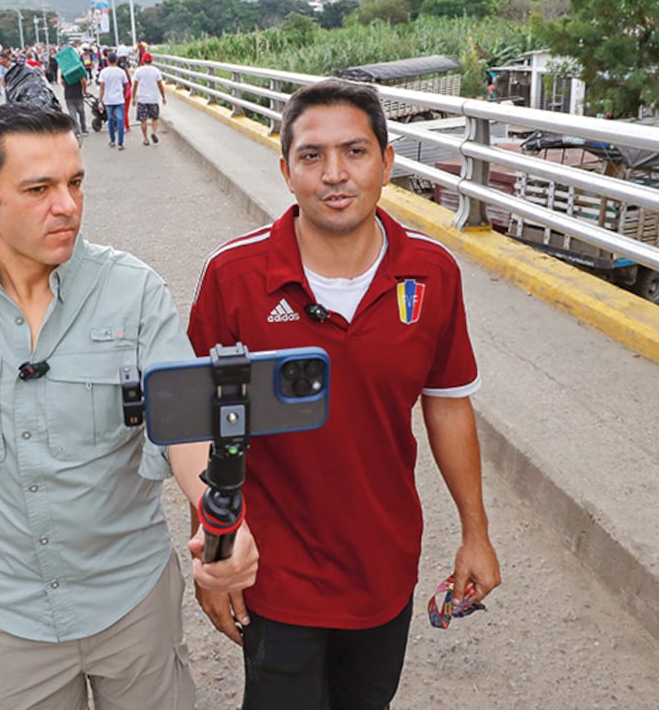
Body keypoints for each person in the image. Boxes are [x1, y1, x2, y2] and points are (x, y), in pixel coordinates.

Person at [0, 103, 259, 707]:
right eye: (39, 189)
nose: (68, 206)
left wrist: (219, 514)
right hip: (15, 612)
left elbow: (183, 426)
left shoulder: (134, 291)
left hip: (132, 601)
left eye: (75, 183)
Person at [187, 79, 501, 710]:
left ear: (386, 162)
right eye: (311, 156)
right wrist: (213, 554)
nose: (335, 174)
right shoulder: (235, 275)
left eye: (355, 152)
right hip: (273, 571)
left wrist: (476, 532)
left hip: (383, 565)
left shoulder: (431, 273)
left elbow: (446, 400)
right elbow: (199, 425)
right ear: (286, 170)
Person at [131, 54, 166, 147]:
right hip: (153, 99)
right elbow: (160, 85)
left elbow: (135, 85)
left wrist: (133, 97)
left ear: (142, 60)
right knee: (154, 118)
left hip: (142, 99)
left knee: (143, 120)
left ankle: (146, 139)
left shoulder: (138, 71)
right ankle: (154, 132)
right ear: (151, 61)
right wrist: (163, 97)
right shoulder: (156, 71)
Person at [97, 52, 128, 150]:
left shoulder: (104, 72)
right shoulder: (121, 72)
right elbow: (126, 85)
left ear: (107, 60)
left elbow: (102, 86)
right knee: (120, 121)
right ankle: (120, 143)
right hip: (119, 99)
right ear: (117, 60)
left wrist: (100, 100)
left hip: (108, 100)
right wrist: (123, 95)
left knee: (110, 120)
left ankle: (112, 140)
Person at [61, 69, 88, 137]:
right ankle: (83, 129)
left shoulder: (65, 70)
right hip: (78, 94)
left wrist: (67, 87)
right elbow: (84, 81)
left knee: (72, 113)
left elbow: (63, 82)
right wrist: (84, 91)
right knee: (81, 112)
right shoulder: (78, 70)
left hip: (68, 95)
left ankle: (76, 130)